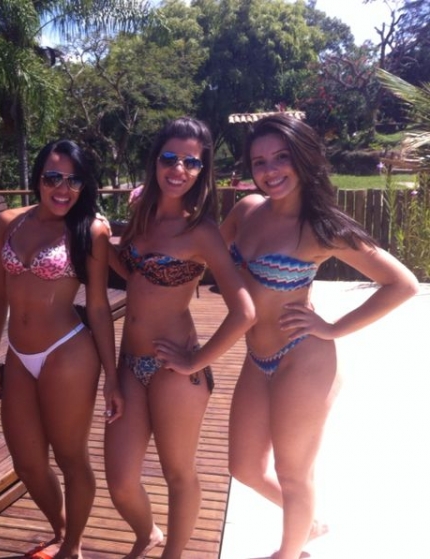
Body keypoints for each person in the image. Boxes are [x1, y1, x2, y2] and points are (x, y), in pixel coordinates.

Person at [219, 114, 419, 559]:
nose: (270, 171)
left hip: (302, 358)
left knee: (293, 473)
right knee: (245, 467)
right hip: (256, 356)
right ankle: (306, 523)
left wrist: (332, 328)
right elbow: (210, 252)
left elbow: (402, 284)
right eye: (259, 162)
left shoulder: (322, 227)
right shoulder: (246, 210)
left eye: (281, 158)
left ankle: (289, 552)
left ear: (303, 159)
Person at [104, 117, 255, 559]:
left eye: (192, 162)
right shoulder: (142, 215)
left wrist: (196, 360)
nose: (179, 169)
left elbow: (244, 311)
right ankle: (147, 533)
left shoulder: (200, 232)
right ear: (155, 160)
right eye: (170, 158)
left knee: (178, 473)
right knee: (120, 481)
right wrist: (102, 244)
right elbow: (134, 273)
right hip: (129, 365)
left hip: (174, 369)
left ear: (202, 170)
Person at [0, 139, 122, 559]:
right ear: (37, 178)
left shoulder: (90, 231)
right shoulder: (10, 222)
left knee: (70, 457)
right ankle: (61, 529)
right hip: (18, 355)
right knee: (26, 462)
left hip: (68, 353)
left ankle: (72, 546)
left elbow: (98, 307)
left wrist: (112, 377)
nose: (63, 189)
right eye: (53, 178)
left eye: (74, 180)